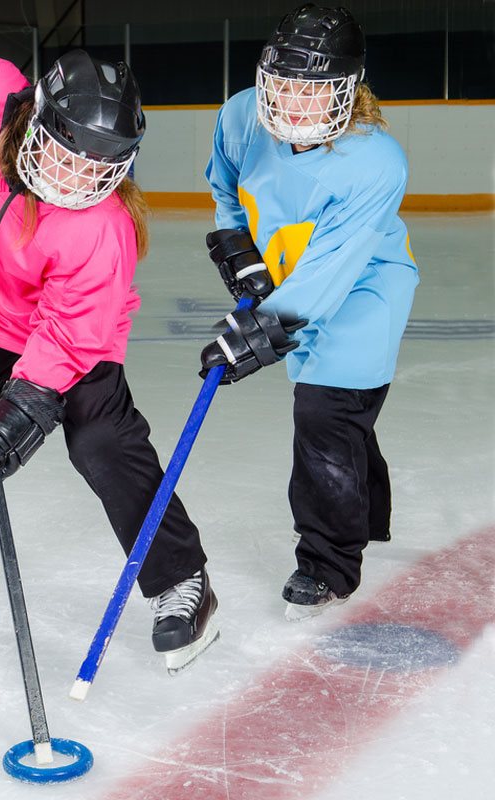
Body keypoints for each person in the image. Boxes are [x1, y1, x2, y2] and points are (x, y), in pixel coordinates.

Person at [0, 50, 219, 671]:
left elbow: (70, 335)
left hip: (74, 333)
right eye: (68, 156)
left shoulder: (102, 229)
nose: (79, 181)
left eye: (99, 168)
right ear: (37, 122)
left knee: (104, 442)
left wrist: (18, 412)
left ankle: (182, 580)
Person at [200, 4, 419, 620]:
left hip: (364, 290)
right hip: (293, 277)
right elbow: (225, 185)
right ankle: (367, 509)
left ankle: (327, 563)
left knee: (325, 412)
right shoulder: (243, 114)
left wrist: (255, 332)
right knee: (346, 419)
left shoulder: (375, 162)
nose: (294, 104)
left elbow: (328, 276)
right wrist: (239, 247)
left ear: (348, 90)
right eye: (285, 86)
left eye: (315, 90)